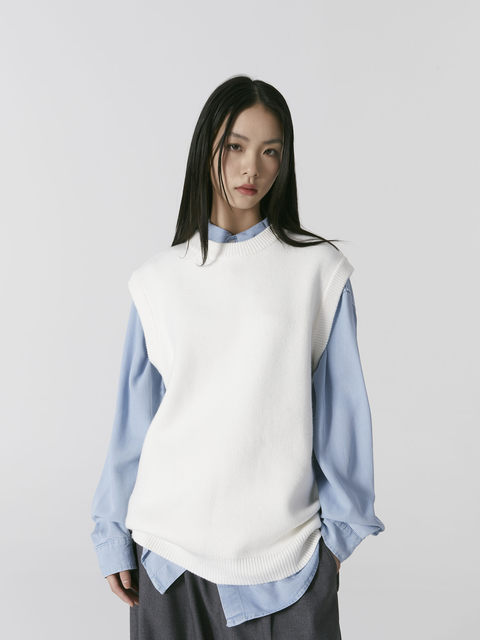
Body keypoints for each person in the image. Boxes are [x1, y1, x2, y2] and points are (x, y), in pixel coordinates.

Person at [90, 75, 385, 639]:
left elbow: (342, 412)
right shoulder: (156, 282)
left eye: (270, 151)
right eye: (235, 146)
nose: (252, 168)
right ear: (207, 149)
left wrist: (337, 541)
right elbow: (133, 425)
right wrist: (111, 534)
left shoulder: (318, 274)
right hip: (168, 562)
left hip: (288, 565)